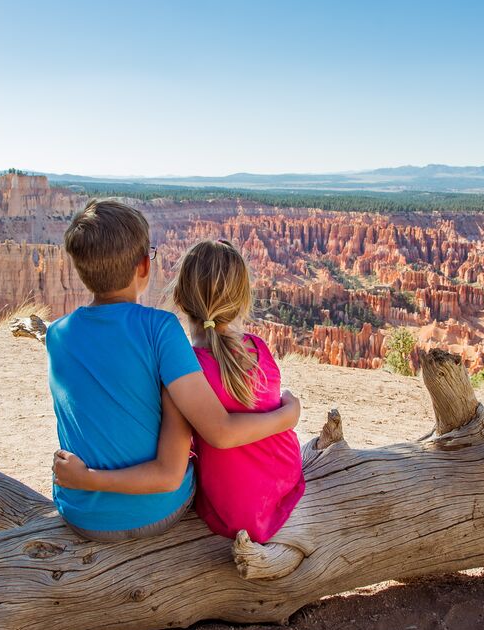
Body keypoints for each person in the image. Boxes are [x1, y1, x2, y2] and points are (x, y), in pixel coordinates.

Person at [48, 199, 300, 542]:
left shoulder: (56, 334)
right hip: (160, 510)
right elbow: (187, 460)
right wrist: (289, 415)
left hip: (79, 513)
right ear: (142, 266)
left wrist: (85, 479)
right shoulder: (160, 329)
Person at [171, 239, 305, 543]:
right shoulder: (258, 348)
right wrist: (288, 413)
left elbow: (219, 433)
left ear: (179, 297)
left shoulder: (185, 367)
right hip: (284, 482)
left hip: (232, 508)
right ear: (242, 299)